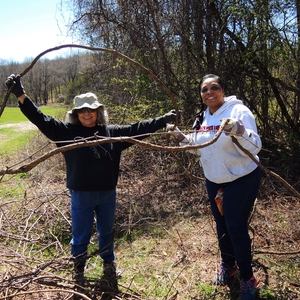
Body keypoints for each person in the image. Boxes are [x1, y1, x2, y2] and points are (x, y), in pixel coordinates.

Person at [6, 74, 178, 290]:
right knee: (81, 233)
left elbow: (137, 129)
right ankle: (78, 267)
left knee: (106, 230)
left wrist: (162, 120)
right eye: (82, 110)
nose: (87, 114)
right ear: (76, 114)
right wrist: (21, 95)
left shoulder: (111, 133)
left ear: (98, 111)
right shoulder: (67, 133)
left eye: (91, 109)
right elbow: (41, 118)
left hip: (107, 193)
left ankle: (108, 262)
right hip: (81, 194)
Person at [167, 74, 262, 300]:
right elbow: (200, 147)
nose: (209, 92)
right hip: (215, 179)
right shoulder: (203, 117)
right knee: (221, 225)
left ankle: (248, 280)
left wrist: (239, 130)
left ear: (223, 90)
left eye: (214, 87)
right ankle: (229, 266)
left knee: (235, 226)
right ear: (201, 95)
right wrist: (181, 138)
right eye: (204, 89)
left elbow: (256, 146)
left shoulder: (239, 112)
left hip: (242, 177)